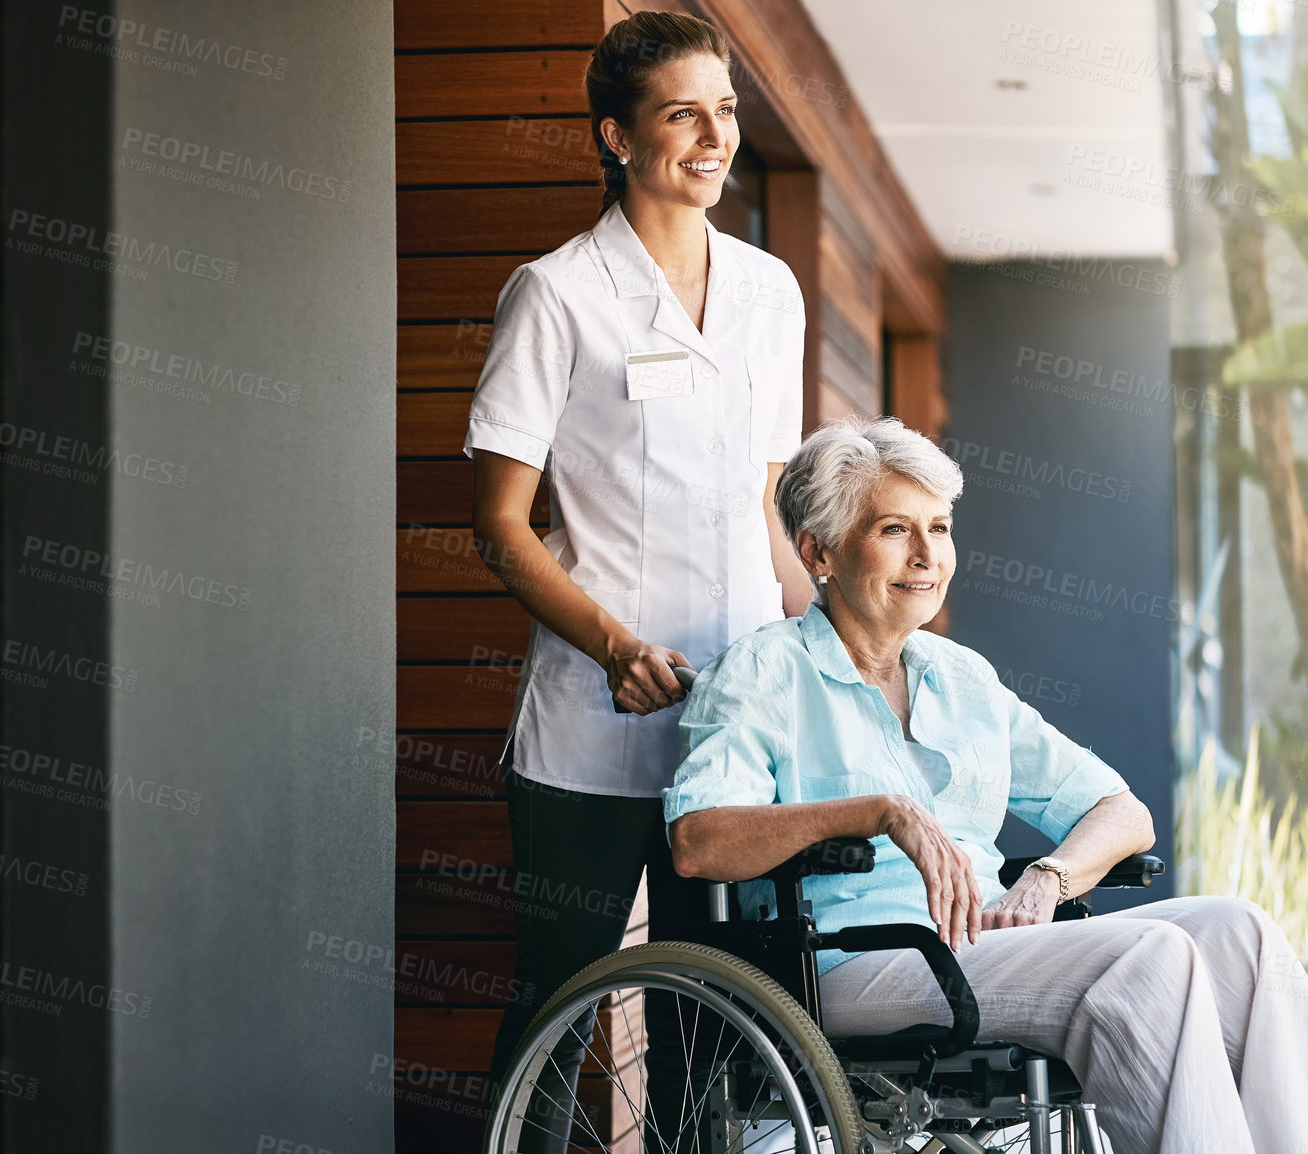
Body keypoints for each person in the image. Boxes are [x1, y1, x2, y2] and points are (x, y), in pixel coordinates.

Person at [664, 416, 1308, 1154]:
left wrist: (1047, 879)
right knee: (1148, 961)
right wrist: (881, 813)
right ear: (818, 551)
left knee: (1242, 934)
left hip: (980, 943)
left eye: (939, 528)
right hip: (849, 960)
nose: (926, 556)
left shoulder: (960, 676)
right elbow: (698, 841)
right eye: (894, 529)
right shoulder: (761, 674)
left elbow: (1122, 812)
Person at [467, 11, 812, 1147]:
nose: (713, 136)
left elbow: (762, 503)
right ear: (617, 136)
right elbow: (503, 528)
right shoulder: (556, 294)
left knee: (714, 1019)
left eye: (724, 111)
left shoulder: (768, 293)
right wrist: (613, 643)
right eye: (682, 114)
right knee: (554, 1007)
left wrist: (821, 648)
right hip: (591, 723)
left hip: (734, 722)